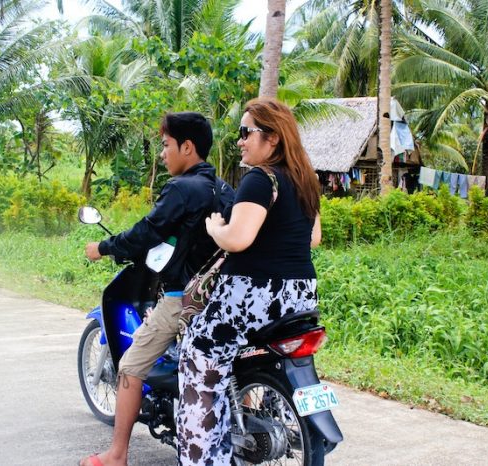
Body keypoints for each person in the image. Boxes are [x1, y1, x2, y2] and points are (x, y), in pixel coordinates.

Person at [80, 112, 234, 466]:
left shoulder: (181, 189)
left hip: (183, 298)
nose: (162, 154)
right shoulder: (225, 189)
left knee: (131, 366)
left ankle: (117, 455)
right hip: (221, 297)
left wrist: (103, 247)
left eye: (166, 145)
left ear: (187, 147)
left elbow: (148, 231)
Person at [176, 97, 322, 465]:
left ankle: (202, 457)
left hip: (254, 296)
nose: (240, 141)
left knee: (198, 355)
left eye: (246, 132)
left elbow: (237, 239)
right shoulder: (305, 178)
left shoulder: (260, 178)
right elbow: (313, 238)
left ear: (272, 138)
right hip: (300, 296)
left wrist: (216, 228)